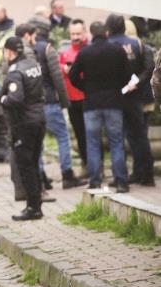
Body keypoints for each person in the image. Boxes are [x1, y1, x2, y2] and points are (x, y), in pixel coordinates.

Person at [69, 22, 132, 192]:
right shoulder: (117, 50)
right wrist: (117, 87)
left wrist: (85, 87)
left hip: (91, 103)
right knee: (116, 142)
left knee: (92, 143)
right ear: (106, 33)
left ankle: (95, 181)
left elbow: (72, 75)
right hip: (113, 102)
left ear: (91, 33)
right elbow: (128, 75)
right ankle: (121, 181)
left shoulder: (85, 52)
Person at [30, 18, 85, 189]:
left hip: (34, 103)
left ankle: (41, 177)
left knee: (38, 141)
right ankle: (67, 174)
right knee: (62, 136)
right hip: (49, 101)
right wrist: (64, 101)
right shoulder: (48, 49)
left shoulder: (28, 49)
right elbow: (57, 77)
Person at [0, 37, 46, 221]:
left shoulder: (15, 72)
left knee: (25, 166)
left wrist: (3, 99)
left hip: (24, 124)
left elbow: (15, 99)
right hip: (39, 119)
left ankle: (33, 207)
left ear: (9, 52)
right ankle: (37, 204)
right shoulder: (33, 65)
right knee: (34, 162)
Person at [106, 14, 155, 186]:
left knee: (121, 138)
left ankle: (126, 175)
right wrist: (136, 83)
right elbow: (149, 68)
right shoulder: (139, 45)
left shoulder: (109, 45)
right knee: (139, 136)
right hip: (135, 97)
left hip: (116, 97)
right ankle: (145, 174)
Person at [60, 20, 90, 170]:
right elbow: (58, 71)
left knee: (90, 134)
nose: (75, 37)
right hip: (71, 100)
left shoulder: (89, 50)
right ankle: (86, 164)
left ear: (84, 33)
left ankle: (95, 166)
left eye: (78, 33)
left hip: (86, 98)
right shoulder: (65, 52)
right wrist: (63, 69)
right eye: (72, 34)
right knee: (79, 135)